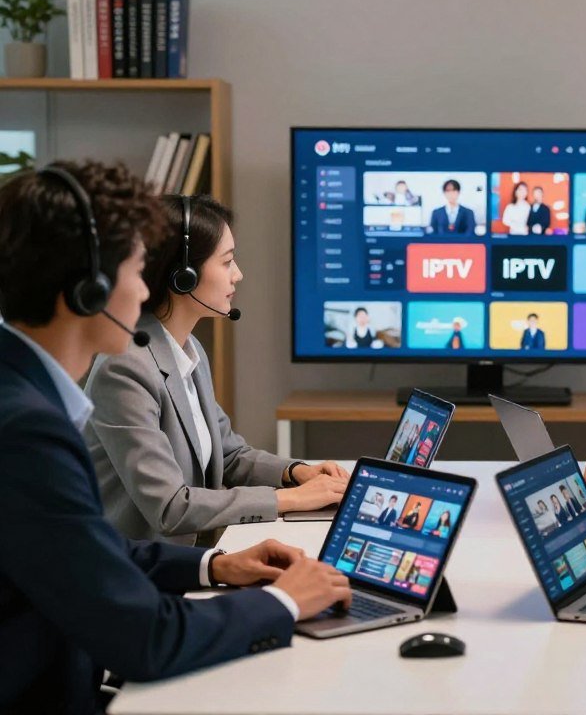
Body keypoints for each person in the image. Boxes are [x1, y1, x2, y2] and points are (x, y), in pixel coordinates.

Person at [0, 162, 351, 714]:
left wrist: (214, 565)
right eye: (138, 271)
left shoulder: (24, 397)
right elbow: (145, 636)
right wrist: (284, 604)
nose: (146, 289)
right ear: (89, 290)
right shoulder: (26, 430)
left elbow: (88, 547)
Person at [84, 195, 349, 545]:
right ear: (183, 276)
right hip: (138, 569)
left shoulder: (188, 350)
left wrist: (297, 472)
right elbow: (170, 507)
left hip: (190, 559)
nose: (238, 274)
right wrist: (291, 500)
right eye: (226, 262)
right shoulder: (124, 369)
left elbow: (229, 455)